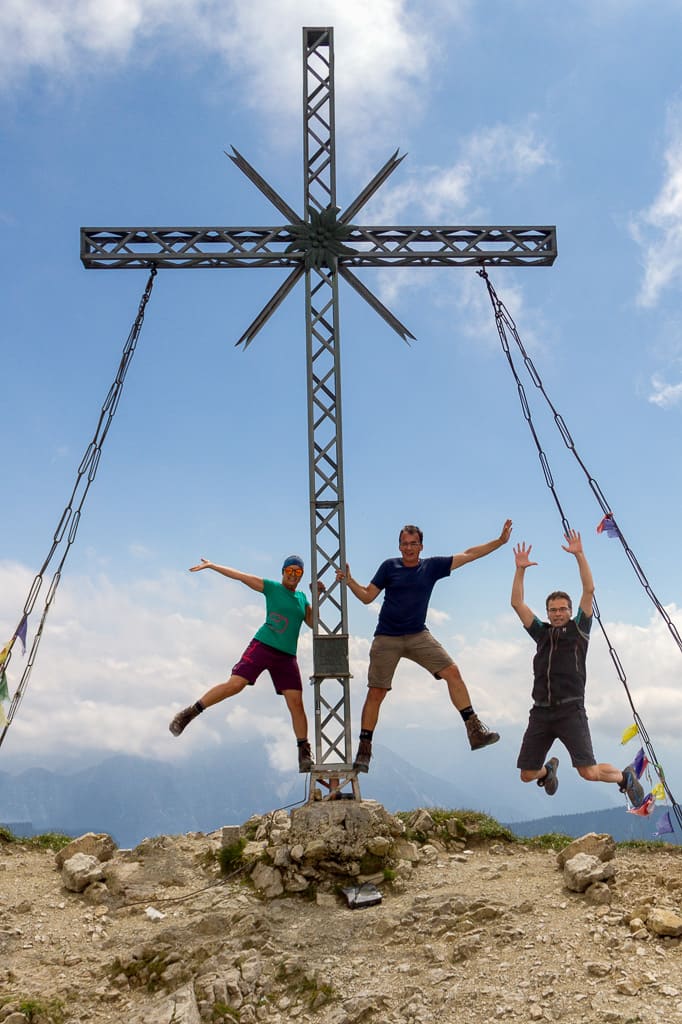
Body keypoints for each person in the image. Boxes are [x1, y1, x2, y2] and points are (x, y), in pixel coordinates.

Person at [336, 520, 512, 772]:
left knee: (453, 672)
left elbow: (469, 555)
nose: (408, 548)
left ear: (421, 546)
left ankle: (474, 732)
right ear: (399, 546)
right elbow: (367, 597)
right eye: (404, 544)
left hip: (418, 634)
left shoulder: (431, 567)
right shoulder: (389, 567)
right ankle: (364, 751)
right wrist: (350, 581)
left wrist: (499, 542)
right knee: (377, 692)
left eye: (413, 544)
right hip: (387, 637)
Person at [511, 530, 645, 805]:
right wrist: (520, 570)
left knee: (588, 772)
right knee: (526, 774)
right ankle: (547, 771)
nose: (557, 613)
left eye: (562, 609)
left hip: (571, 710)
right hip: (540, 711)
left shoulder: (580, 630)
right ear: (547, 612)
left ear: (570, 611)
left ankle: (624, 777)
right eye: (553, 609)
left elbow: (589, 590)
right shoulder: (541, 632)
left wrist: (579, 555)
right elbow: (516, 603)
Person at [169, 554, 322, 773]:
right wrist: (212, 565)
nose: (293, 575)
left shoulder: (301, 598)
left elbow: (311, 622)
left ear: (301, 575)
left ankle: (303, 751)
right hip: (263, 645)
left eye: (298, 572)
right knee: (235, 685)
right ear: (283, 572)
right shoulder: (271, 588)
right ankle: (190, 712)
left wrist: (316, 596)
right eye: (290, 571)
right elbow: (241, 577)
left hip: (287, 655)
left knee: (296, 702)